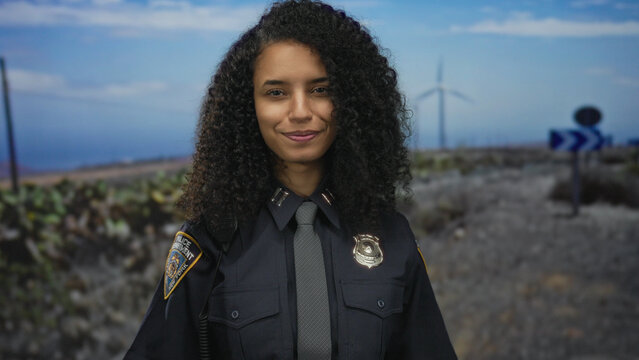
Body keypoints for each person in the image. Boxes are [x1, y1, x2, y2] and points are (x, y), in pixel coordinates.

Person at [124, 1, 457, 359]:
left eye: (320, 89)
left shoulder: (393, 236)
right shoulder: (209, 239)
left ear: (353, 100)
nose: (300, 112)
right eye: (276, 92)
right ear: (247, 105)